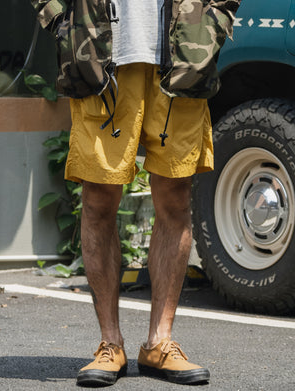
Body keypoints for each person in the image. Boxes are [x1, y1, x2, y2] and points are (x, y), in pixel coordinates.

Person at [31, 0, 241, 387]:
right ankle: (110, 344)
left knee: (176, 196)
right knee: (98, 198)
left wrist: (215, 16)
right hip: (101, 57)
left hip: (183, 54)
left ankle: (160, 343)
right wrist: (61, 18)